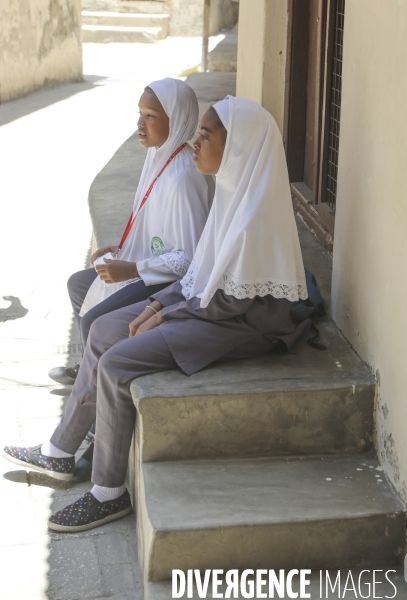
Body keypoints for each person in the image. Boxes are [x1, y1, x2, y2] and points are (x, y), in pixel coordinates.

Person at [2, 96, 310, 533]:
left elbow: (231, 303)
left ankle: (108, 493)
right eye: (198, 132)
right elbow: (201, 274)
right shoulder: (230, 192)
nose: (195, 143)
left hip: (243, 324)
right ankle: (63, 450)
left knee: (118, 361)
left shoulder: (255, 214)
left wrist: (165, 315)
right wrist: (157, 304)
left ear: (239, 145)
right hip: (212, 307)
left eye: (207, 134)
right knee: (106, 327)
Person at [47, 78, 214, 481]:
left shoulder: (183, 178)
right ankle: (90, 373)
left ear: (176, 121)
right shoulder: (158, 157)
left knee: (94, 321)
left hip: (166, 284)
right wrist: (119, 252)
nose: (140, 125)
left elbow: (189, 259)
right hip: (147, 267)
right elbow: (150, 229)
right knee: (79, 284)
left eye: (150, 116)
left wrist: (133, 269)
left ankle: (90, 426)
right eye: (139, 115)